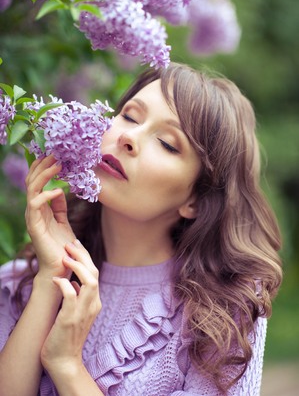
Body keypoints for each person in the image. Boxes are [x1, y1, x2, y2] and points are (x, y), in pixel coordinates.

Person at [0, 62, 282, 396]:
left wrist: (66, 365)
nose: (128, 137)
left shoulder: (220, 314)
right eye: (130, 116)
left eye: (167, 143)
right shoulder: (17, 284)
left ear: (195, 199)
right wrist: (51, 276)